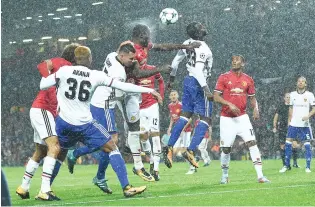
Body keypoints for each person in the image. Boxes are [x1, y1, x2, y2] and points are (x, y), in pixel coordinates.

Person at [40, 46, 163, 197]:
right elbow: (123, 86)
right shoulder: (95, 75)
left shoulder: (64, 71)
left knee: (59, 154)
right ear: (90, 59)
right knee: (112, 146)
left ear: (75, 58)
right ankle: (127, 187)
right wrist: (149, 90)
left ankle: (44, 189)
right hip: (84, 123)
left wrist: (48, 70)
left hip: (63, 122)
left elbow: (43, 85)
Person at [120, 24, 202, 181]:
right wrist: (160, 68)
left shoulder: (144, 47)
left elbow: (163, 47)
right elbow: (137, 73)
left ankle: (155, 168)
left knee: (155, 135)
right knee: (140, 135)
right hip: (130, 97)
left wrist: (186, 46)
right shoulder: (129, 49)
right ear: (139, 35)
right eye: (146, 35)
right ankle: (134, 153)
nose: (149, 39)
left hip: (149, 102)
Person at [16, 43, 79, 201]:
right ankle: (45, 190)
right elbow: (43, 64)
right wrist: (48, 81)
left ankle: (23, 187)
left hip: (42, 110)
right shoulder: (63, 63)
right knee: (54, 146)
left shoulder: (69, 68)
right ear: (75, 56)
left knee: (40, 152)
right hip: (43, 109)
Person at [163, 21, 213, 169]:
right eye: (201, 27)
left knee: (185, 116)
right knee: (205, 118)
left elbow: (176, 61)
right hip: (198, 83)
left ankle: (170, 146)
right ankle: (190, 150)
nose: (204, 27)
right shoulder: (203, 48)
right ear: (198, 33)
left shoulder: (187, 43)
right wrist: (206, 89)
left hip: (187, 81)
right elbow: (198, 70)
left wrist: (171, 78)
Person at [213, 55, 270, 184]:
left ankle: (260, 175)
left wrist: (256, 108)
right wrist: (229, 104)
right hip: (227, 119)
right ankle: (225, 175)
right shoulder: (223, 77)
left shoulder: (248, 80)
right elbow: (216, 96)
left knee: (252, 143)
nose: (234, 61)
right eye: (233, 60)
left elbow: (252, 97)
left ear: (243, 63)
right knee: (226, 149)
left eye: (237, 60)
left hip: (242, 118)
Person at [279, 76, 315, 173]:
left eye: (302, 81)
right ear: (297, 83)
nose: (300, 83)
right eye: (299, 81)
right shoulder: (292, 95)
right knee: (288, 143)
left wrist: (308, 116)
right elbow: (290, 109)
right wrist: (289, 121)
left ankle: (308, 167)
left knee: (307, 145)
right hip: (294, 124)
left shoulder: (310, 95)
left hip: (304, 124)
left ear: (305, 84)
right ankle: (286, 166)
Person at [167, 90, 193, 174]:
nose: (173, 96)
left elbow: (190, 119)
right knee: (175, 150)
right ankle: (193, 161)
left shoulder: (182, 105)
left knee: (185, 149)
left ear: (178, 96)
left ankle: (192, 167)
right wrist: (170, 127)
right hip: (177, 130)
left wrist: (182, 129)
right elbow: (172, 117)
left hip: (186, 130)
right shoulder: (170, 106)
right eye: (172, 95)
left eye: (175, 94)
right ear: (169, 97)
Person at [273, 92, 300, 169]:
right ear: (284, 98)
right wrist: (274, 126)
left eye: (289, 97)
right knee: (283, 146)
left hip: (292, 127)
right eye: (287, 97)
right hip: (282, 128)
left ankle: (295, 163)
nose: (288, 98)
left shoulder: (293, 106)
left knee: (294, 145)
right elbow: (275, 117)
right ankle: (285, 165)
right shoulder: (281, 106)